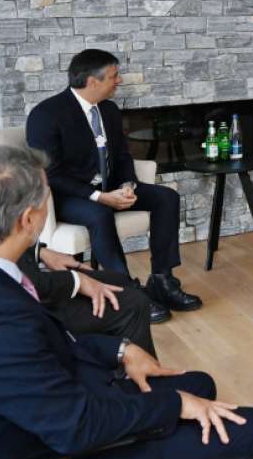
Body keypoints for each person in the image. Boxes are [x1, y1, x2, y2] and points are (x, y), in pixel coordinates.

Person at [0, 145, 253, 459]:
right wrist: (176, 404)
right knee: (251, 428)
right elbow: (77, 427)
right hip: (57, 457)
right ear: (28, 220)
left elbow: (41, 346)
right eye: (47, 198)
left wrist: (120, 350)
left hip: (51, 405)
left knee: (200, 385)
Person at [0, 84, 157, 350]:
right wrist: (77, 281)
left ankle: (109, 360)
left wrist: (40, 252)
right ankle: (126, 369)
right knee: (131, 302)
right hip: (2, 310)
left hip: (8, 284)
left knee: (119, 282)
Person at [26, 50, 201, 322]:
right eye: (114, 76)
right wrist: (99, 196)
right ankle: (126, 290)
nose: (119, 80)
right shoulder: (46, 115)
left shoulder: (108, 110)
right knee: (100, 213)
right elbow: (51, 174)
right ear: (92, 81)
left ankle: (162, 280)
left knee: (167, 197)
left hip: (111, 187)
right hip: (67, 196)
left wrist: (128, 185)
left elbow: (121, 156)